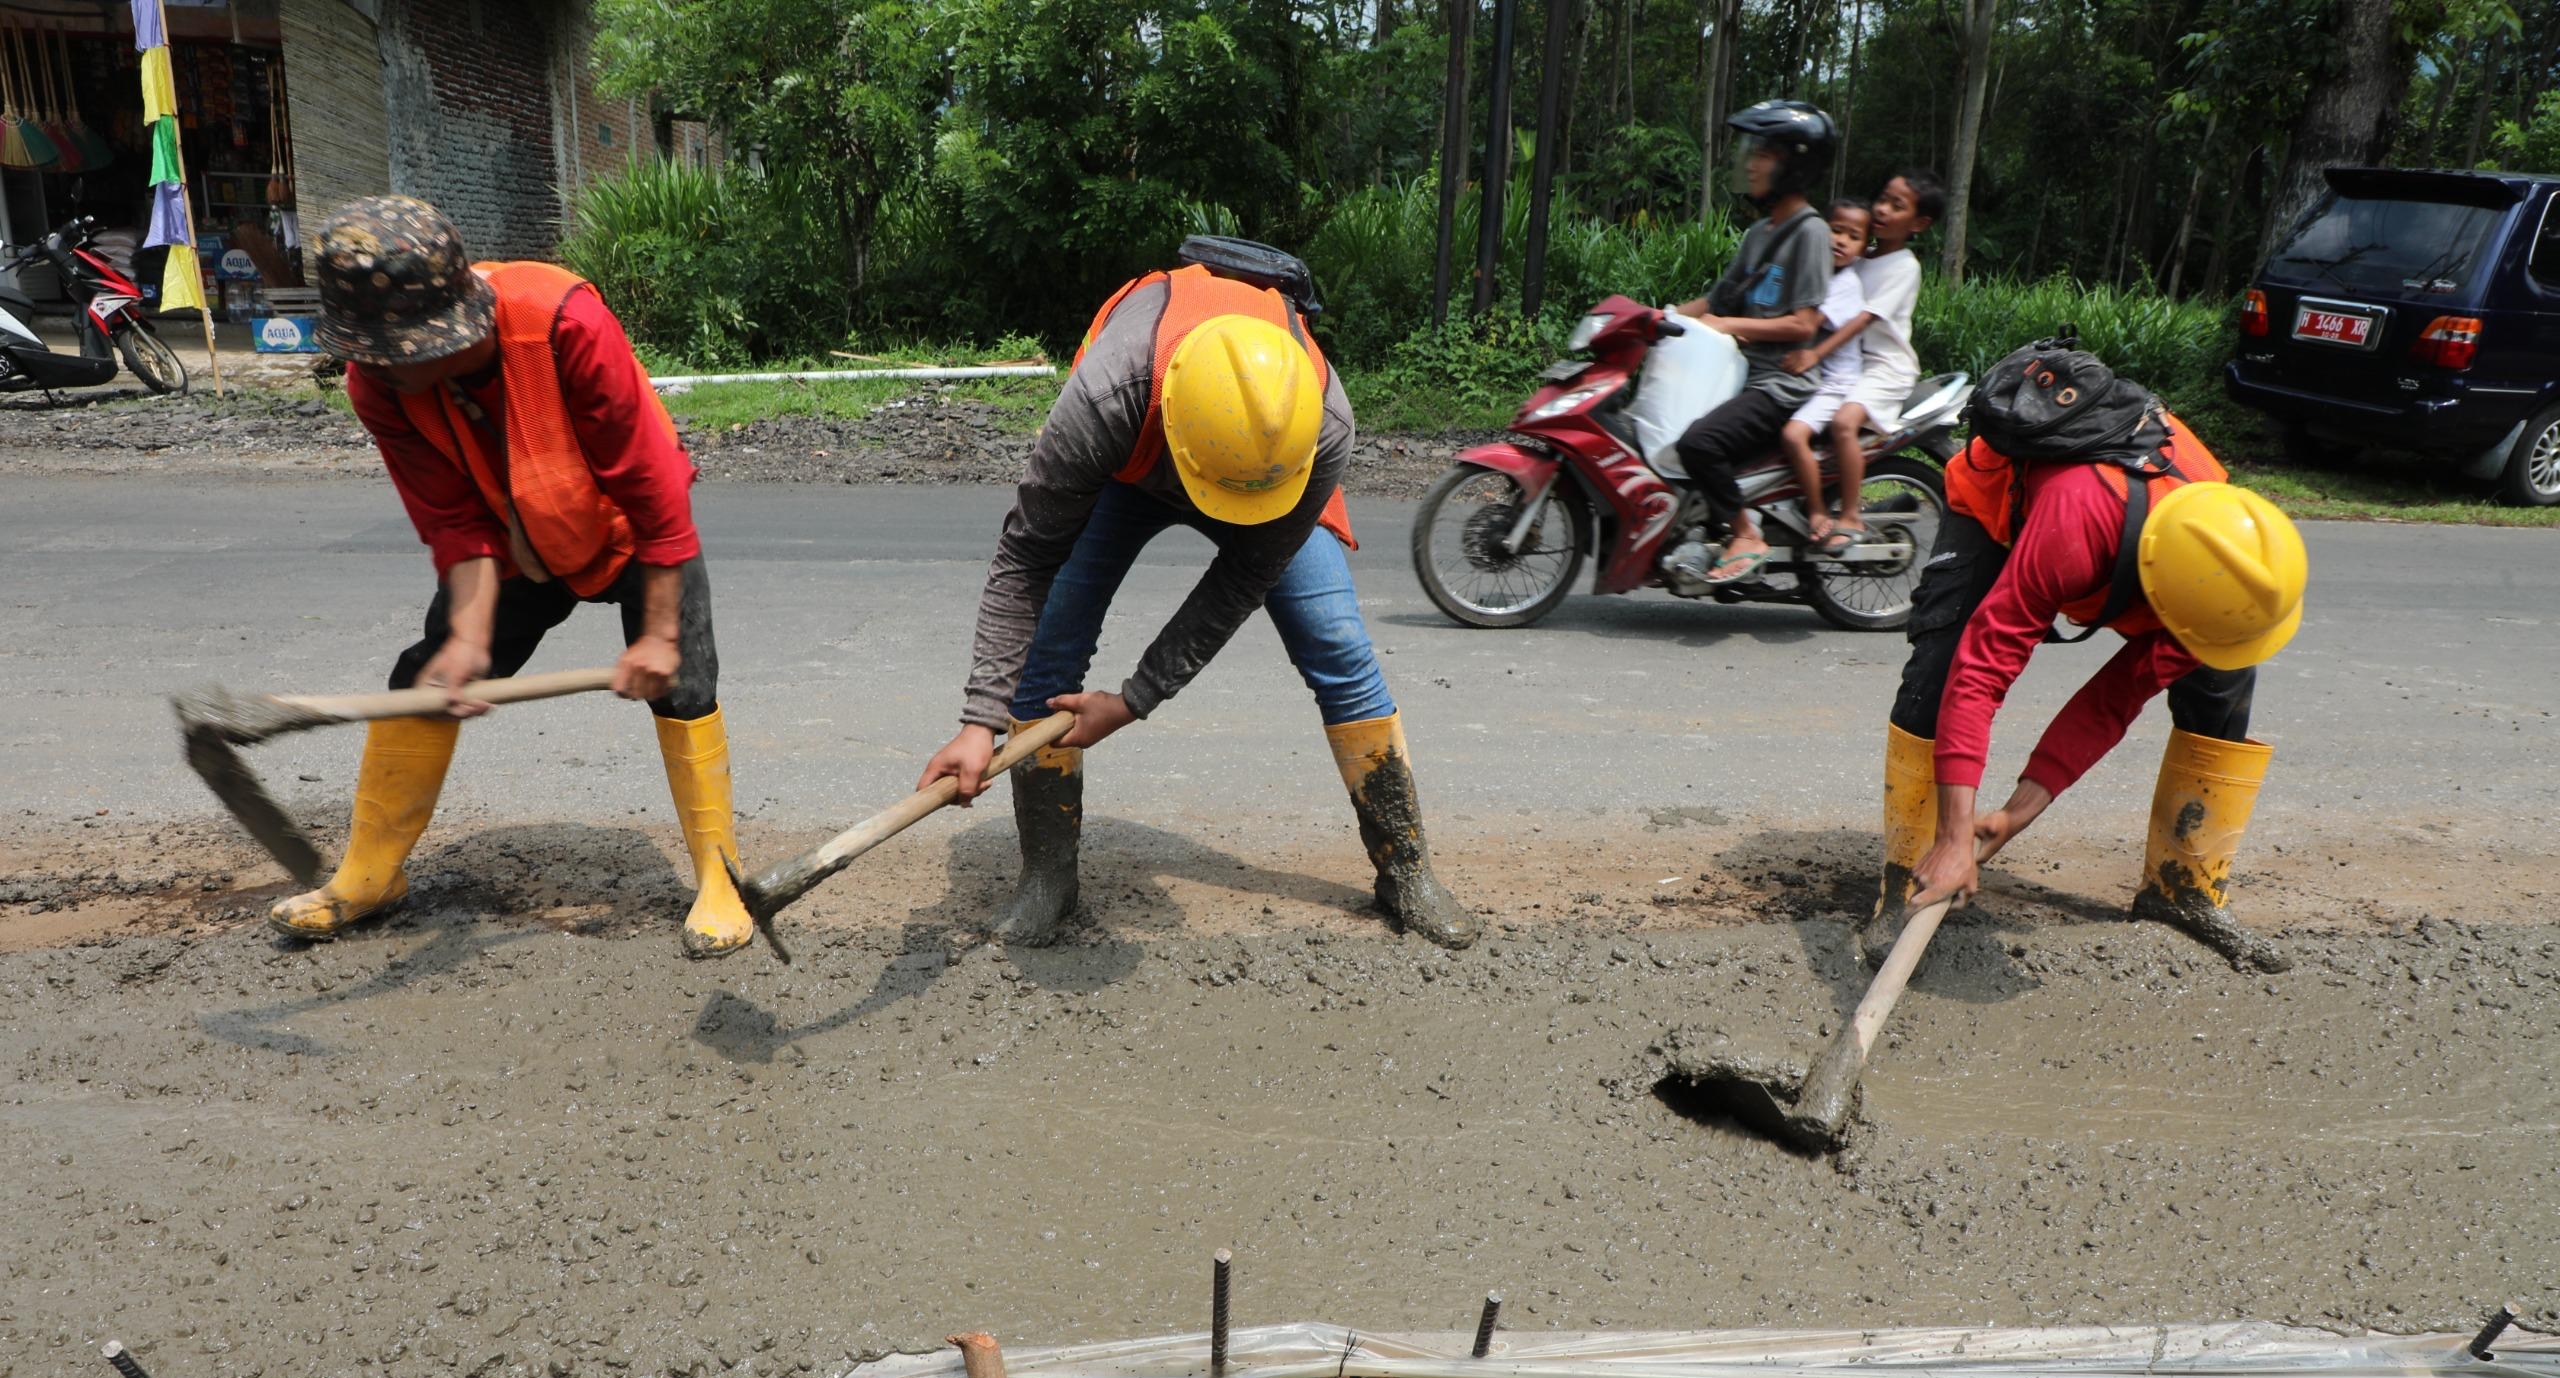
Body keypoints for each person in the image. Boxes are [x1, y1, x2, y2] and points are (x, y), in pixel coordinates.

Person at [917, 244, 1478, 950]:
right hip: (1131, 464)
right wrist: (979, 722)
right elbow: (1028, 555)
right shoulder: (1105, 397)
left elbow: (1242, 578)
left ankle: (1407, 868)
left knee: (1336, 644)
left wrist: (1134, 700)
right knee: (1049, 651)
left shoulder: (1321, 424)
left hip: (1270, 479)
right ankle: (1048, 876)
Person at [270, 195, 757, 958]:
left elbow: (653, 490)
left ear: (452, 327)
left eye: (395, 349)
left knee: (686, 683)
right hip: (512, 543)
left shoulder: (562, 322)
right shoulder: (377, 382)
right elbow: (450, 518)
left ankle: (719, 877)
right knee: (425, 677)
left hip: (631, 531)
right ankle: (369, 875)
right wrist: (466, 638)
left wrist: (659, 633)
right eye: (368, 350)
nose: (378, 366)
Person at [1868, 337, 2308, 975]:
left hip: (2144, 548)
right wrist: (1954, 834)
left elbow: (2110, 702)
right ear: (2165, 596)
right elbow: (1981, 673)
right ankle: (1910, 883)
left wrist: (2014, 816)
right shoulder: (2077, 525)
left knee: (2223, 680)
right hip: (2004, 503)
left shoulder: (2226, 564)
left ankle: (2182, 893)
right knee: (1940, 668)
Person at [1664, 98, 1839, 587]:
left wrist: (1729, 325)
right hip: (1740, 371)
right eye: (1752, 152)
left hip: (1781, 384)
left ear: (1795, 164)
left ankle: (1745, 532)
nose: (1751, 163)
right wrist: (1658, 316)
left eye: (1765, 154)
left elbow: (1804, 323)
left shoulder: (1812, 233)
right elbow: (1718, 299)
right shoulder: (1760, 233)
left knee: (1699, 443)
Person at [1787, 169, 1940, 553]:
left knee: (1842, 423)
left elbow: (1862, 319)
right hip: (1847, 364)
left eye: (1897, 206)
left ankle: (1851, 515)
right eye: (1882, 199)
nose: (1882, 210)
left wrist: (1814, 354)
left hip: (1885, 367)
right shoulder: (1858, 256)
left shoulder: (1904, 266)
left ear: (1919, 223)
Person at [1772, 199, 1872, 555]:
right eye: (1836, 230)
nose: (1842, 240)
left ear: (1863, 249)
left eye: (1853, 236)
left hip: (1835, 382)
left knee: (1793, 435)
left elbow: (1806, 326)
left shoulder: (1845, 283)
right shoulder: (1818, 274)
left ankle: (1816, 511)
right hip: (1813, 377)